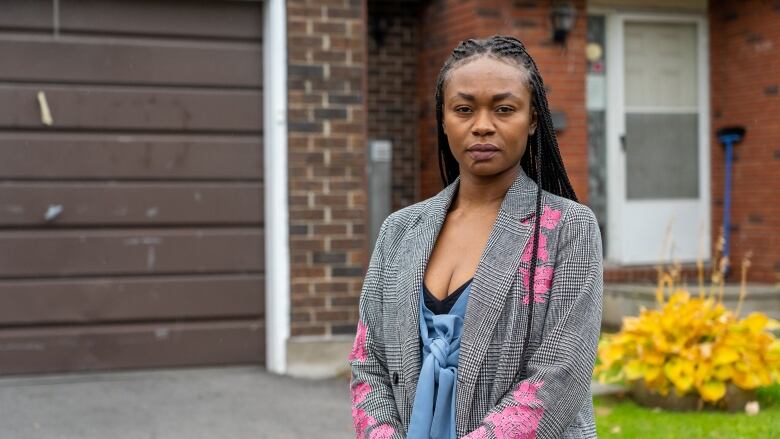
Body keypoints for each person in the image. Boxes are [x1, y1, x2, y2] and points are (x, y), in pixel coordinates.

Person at [348, 35, 603, 439]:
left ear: (533, 119)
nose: (482, 126)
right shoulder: (399, 231)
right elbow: (369, 363)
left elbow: (561, 374)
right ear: (444, 118)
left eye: (504, 109)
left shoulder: (567, 229)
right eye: (464, 109)